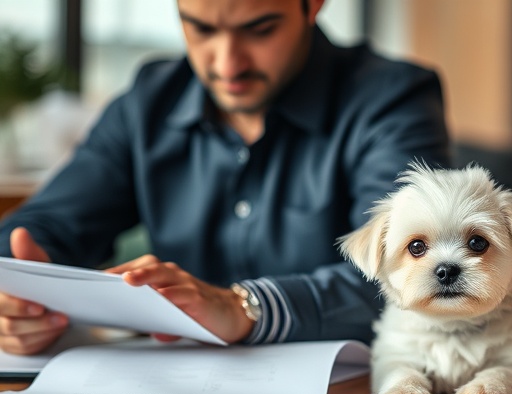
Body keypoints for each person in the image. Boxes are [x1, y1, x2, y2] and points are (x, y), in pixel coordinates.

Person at [0, 0, 450, 355]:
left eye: (260, 29)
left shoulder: (393, 99)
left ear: (312, 5)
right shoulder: (147, 103)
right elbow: (45, 225)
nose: (227, 65)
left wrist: (244, 308)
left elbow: (408, 275)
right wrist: (16, 294)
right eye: (200, 28)